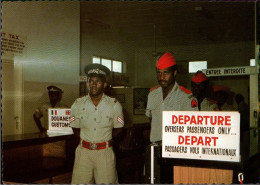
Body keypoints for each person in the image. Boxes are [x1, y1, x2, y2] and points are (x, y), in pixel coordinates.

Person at [145, 52, 198, 183]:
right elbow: (150, 119)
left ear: (174, 73)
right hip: (155, 151)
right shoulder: (152, 94)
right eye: (159, 73)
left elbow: (193, 129)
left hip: (176, 152)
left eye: (166, 73)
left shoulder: (186, 97)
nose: (161, 77)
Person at [70, 63, 124, 184]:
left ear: (104, 85)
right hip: (83, 153)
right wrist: (87, 141)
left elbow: (119, 128)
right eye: (91, 81)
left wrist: (105, 140)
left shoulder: (114, 105)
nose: (93, 85)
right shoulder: (78, 104)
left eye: (98, 82)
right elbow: (75, 128)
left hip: (104, 153)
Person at [235, 93, 250, 160]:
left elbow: (240, 119)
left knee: (243, 148)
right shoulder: (245, 105)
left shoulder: (241, 106)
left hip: (243, 129)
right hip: (246, 128)